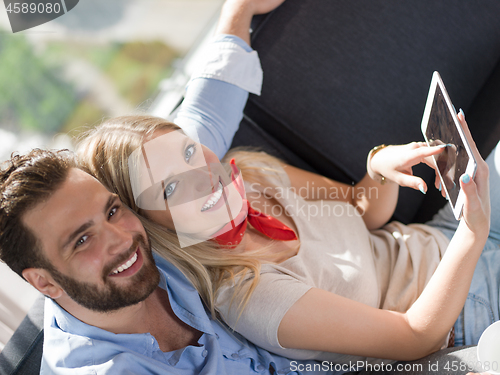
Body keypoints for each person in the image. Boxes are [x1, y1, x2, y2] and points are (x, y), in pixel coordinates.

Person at [0, 1, 337, 374]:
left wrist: (238, 11)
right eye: (82, 240)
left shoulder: (155, 225)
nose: (121, 237)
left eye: (112, 210)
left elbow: (202, 118)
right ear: (43, 281)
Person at [77, 96, 496, 366]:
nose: (203, 176)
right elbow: (414, 338)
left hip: (442, 236)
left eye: (189, 150)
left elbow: (362, 213)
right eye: (169, 187)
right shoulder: (247, 294)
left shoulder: (255, 173)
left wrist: (379, 168)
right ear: (150, 224)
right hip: (455, 312)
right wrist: (474, 232)